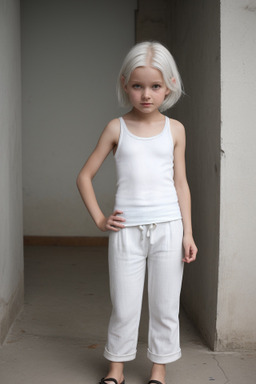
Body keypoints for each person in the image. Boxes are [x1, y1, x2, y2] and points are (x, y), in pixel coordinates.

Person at [76, 41, 197, 384]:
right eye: (138, 86)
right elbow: (84, 176)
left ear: (169, 85)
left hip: (169, 229)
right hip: (126, 231)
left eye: (155, 86)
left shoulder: (176, 130)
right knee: (125, 306)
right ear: (125, 84)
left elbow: (181, 183)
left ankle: (158, 370)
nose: (147, 95)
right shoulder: (117, 128)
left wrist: (188, 233)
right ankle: (117, 368)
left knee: (164, 306)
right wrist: (101, 219)